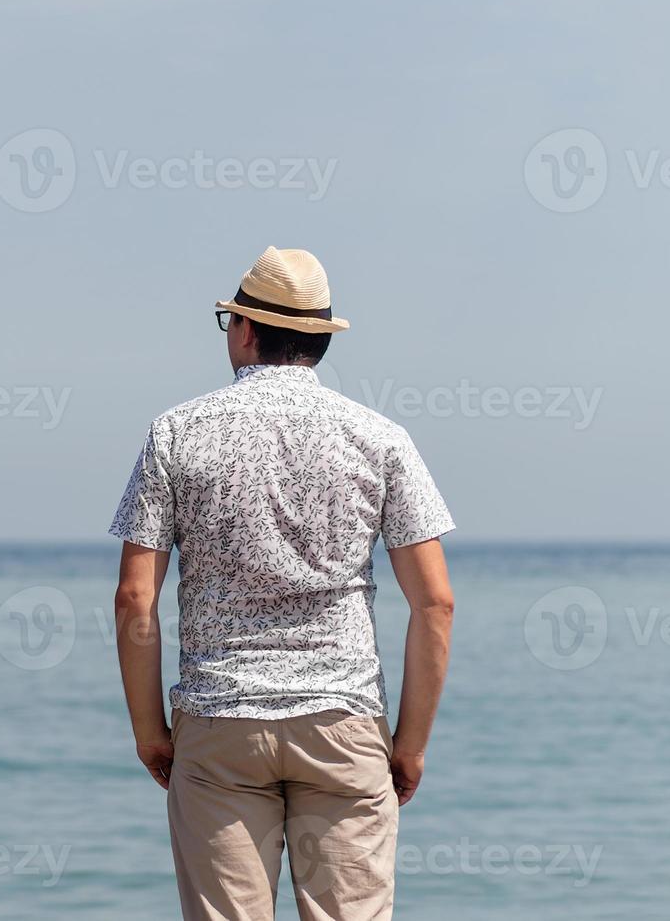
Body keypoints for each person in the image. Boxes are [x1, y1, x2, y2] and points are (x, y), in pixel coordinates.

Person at [109, 247, 457, 920]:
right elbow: (435, 604)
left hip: (220, 721)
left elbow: (133, 599)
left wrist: (149, 730)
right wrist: (408, 745)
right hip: (341, 719)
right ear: (319, 341)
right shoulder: (378, 438)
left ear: (243, 330)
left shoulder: (176, 433)